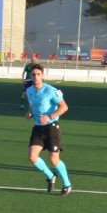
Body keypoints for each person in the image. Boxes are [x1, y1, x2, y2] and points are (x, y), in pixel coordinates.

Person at [24, 64, 72, 195]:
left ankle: (67, 184)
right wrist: (30, 113)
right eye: (33, 74)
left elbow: (64, 107)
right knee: (32, 157)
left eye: (38, 74)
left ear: (43, 75)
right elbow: (31, 104)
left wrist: (50, 116)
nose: (36, 77)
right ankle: (51, 176)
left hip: (51, 128)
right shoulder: (29, 91)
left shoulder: (51, 90)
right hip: (38, 128)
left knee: (53, 159)